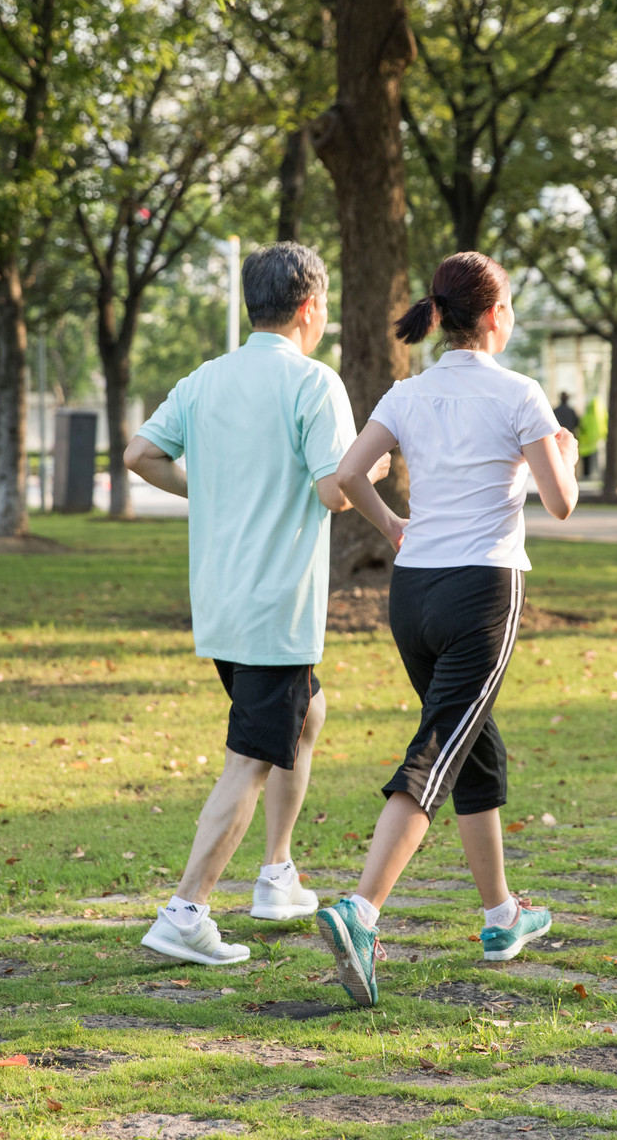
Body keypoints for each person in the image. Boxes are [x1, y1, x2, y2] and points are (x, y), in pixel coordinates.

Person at [313, 251, 579, 1006]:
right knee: (437, 751)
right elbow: (560, 505)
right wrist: (569, 453)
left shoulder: (408, 392)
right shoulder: (521, 393)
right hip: (480, 593)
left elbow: (346, 476)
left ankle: (501, 917)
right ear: (494, 314)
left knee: (473, 745)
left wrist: (393, 523)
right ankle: (361, 911)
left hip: (414, 596)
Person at [123, 242, 388, 966]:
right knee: (251, 759)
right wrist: (378, 464)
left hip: (222, 601)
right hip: (276, 607)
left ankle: (277, 873)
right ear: (310, 307)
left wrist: (205, 488)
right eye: (325, 304)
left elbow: (139, 455)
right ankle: (186, 912)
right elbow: (337, 487)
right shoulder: (313, 382)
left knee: (309, 713)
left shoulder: (206, 379)